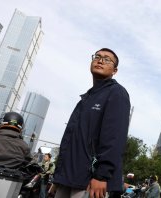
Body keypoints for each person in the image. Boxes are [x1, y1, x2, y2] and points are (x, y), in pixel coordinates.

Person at [53, 48, 131, 198]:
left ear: (115, 70)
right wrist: (58, 177)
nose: (100, 60)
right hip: (67, 179)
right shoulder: (86, 99)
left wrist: (101, 175)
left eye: (107, 59)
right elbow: (69, 141)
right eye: (97, 57)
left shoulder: (117, 93)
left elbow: (115, 138)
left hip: (92, 181)